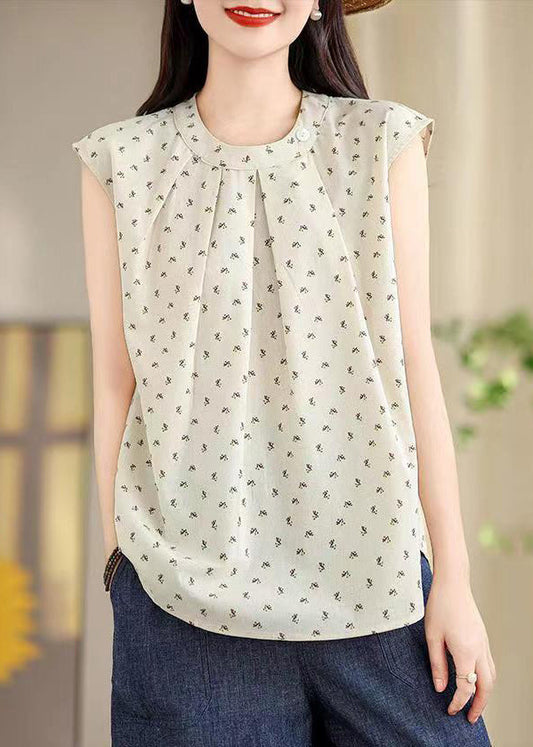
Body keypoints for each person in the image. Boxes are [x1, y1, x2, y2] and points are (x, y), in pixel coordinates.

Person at [71, 1, 496, 745]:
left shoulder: (381, 143)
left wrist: (454, 580)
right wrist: (119, 564)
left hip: (376, 585)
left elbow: (411, 365)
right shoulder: (121, 161)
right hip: (184, 602)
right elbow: (115, 381)